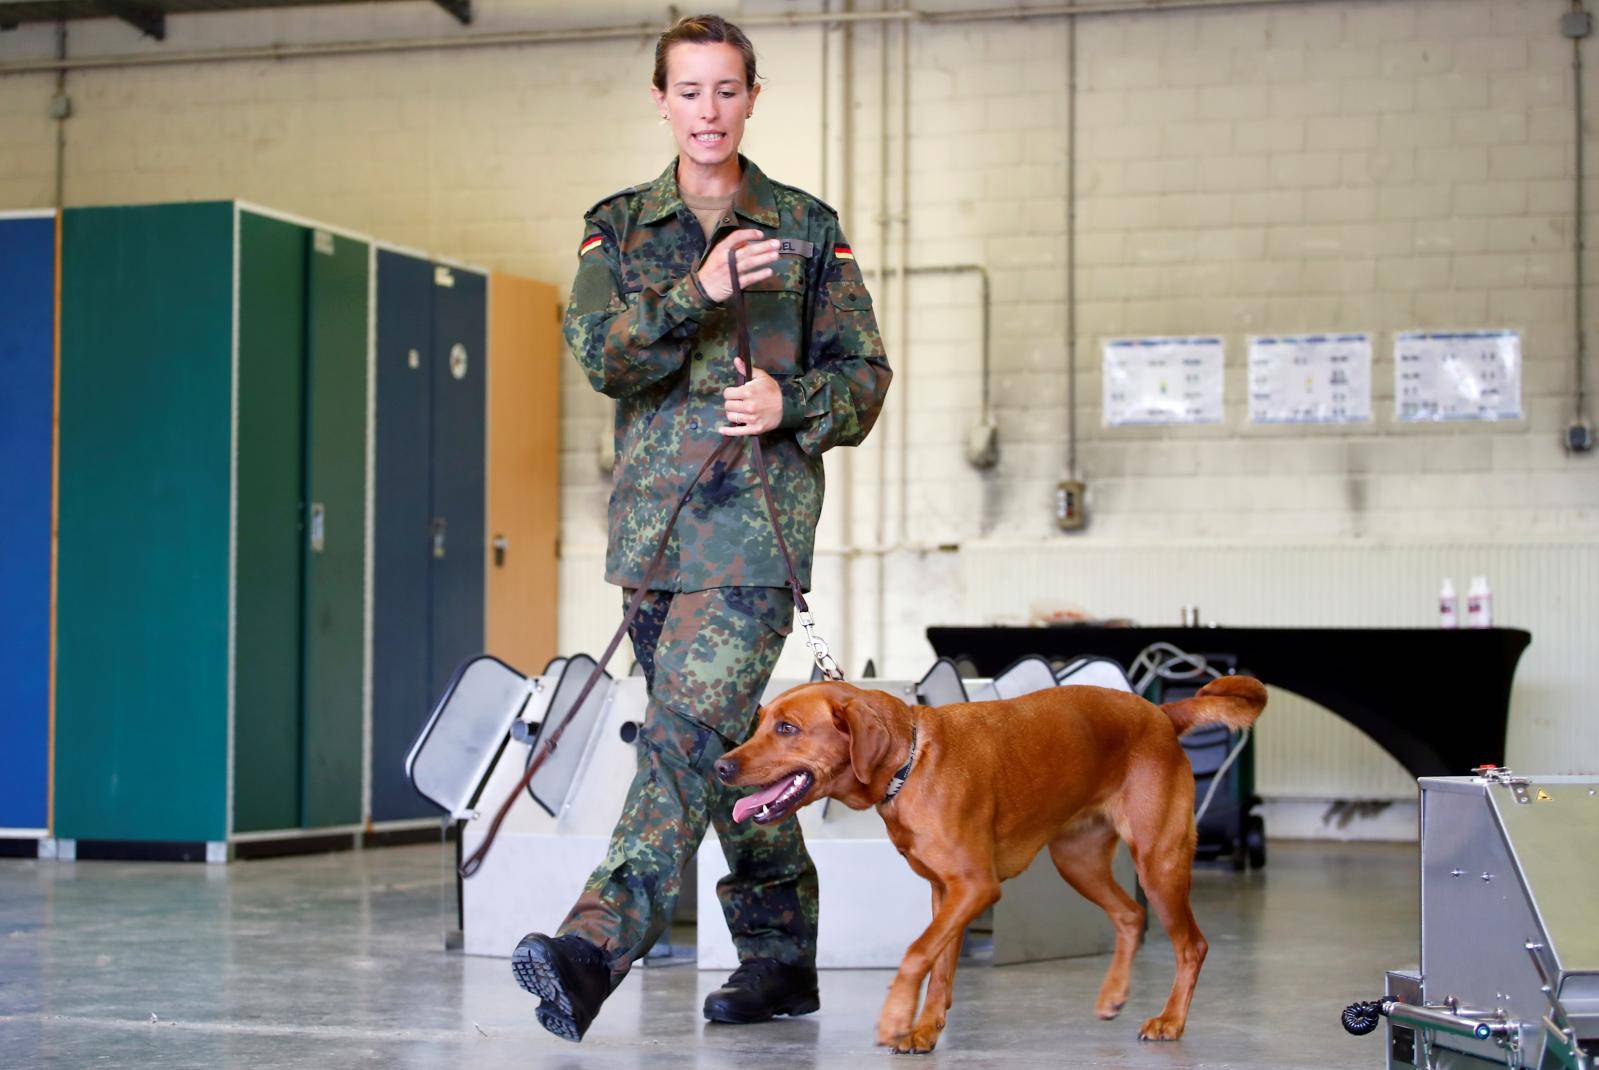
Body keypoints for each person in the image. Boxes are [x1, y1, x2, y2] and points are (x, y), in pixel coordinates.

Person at [510, 13, 892, 1044]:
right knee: (728, 753)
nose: (709, 111)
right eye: (690, 91)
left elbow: (866, 378)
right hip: (653, 543)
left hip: (754, 540)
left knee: (680, 738)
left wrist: (792, 405)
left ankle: (594, 944)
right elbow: (604, 355)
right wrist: (699, 291)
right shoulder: (619, 226)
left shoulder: (808, 230)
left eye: (728, 90)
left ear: (752, 96)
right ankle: (779, 960)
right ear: (662, 100)